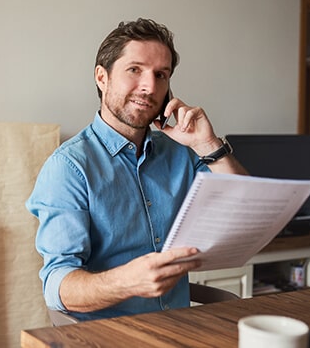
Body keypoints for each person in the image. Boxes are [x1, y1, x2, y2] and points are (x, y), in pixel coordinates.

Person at [25, 18, 248, 321]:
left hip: (179, 327)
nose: (149, 87)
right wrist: (126, 281)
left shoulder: (183, 152)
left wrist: (209, 145)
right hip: (108, 336)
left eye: (161, 75)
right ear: (102, 78)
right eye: (135, 70)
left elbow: (246, 212)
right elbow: (57, 286)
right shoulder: (68, 168)